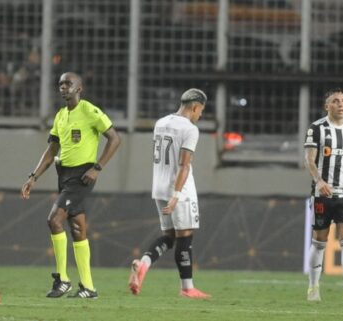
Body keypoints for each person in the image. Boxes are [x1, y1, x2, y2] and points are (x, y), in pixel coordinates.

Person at [21, 72, 120, 299]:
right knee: (77, 228)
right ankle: (88, 287)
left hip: (82, 176)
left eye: (68, 83)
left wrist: (98, 167)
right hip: (63, 174)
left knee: (54, 219)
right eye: (61, 84)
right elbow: (52, 150)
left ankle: (63, 279)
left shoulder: (90, 111)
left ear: (79, 88)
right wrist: (33, 176)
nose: (64, 87)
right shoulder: (60, 116)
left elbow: (115, 138)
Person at [128, 88, 211, 300]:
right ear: (194, 107)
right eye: (201, 110)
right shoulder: (190, 129)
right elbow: (184, 165)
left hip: (158, 186)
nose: (200, 115)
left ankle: (143, 264)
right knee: (185, 235)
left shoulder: (161, 123)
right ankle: (187, 287)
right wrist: (176, 195)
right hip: (178, 188)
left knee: (169, 236)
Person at [304, 88, 343, 302]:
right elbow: (309, 159)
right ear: (327, 106)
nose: (341, 104)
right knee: (320, 242)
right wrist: (319, 181)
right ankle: (313, 287)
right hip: (323, 196)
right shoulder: (317, 129)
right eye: (336, 101)